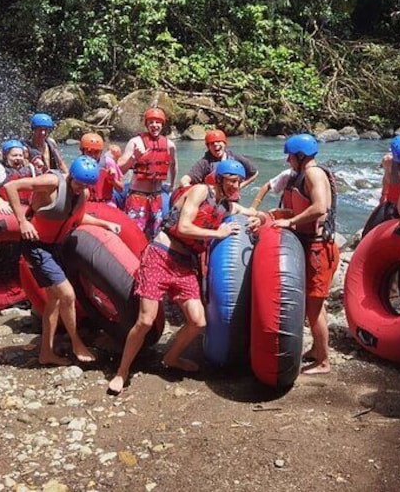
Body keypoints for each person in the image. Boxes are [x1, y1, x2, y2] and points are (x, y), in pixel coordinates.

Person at [107, 159, 265, 395]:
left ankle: (171, 358)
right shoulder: (201, 191)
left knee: (198, 321)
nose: (235, 186)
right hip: (160, 255)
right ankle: (121, 372)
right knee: (146, 321)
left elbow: (252, 212)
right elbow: (183, 227)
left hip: (184, 264)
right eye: (231, 180)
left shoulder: (226, 206)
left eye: (239, 182)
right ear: (219, 179)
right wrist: (217, 233)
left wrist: (259, 219)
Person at [4, 155, 122, 366]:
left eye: (86, 185)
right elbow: (12, 186)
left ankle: (46, 353)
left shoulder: (82, 193)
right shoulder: (52, 183)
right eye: (78, 183)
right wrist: (22, 221)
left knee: (54, 300)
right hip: (36, 245)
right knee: (67, 294)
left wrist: (105, 224)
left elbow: (75, 219)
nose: (80, 188)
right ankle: (77, 344)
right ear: (72, 177)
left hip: (55, 248)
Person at [271, 133, 339, 375]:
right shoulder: (302, 175)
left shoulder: (313, 174)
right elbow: (303, 205)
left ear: (300, 156)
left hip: (319, 249)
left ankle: (323, 361)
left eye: (290, 156)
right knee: (311, 305)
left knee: (314, 308)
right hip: (309, 246)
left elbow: (320, 208)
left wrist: (290, 223)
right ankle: (315, 349)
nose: (288, 160)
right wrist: (284, 214)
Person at [118, 107, 178, 239]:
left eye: (157, 122)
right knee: (134, 234)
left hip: (156, 197)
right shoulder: (135, 142)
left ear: (162, 124)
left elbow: (173, 165)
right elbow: (119, 170)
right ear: (146, 124)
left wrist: (172, 186)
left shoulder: (170, 145)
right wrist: (134, 157)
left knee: (154, 235)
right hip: (137, 197)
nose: (154, 125)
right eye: (151, 122)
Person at [179, 129, 259, 189]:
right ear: (208, 147)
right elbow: (184, 180)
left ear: (224, 143)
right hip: (212, 200)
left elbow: (254, 173)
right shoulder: (205, 163)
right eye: (212, 143)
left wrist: (239, 187)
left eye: (218, 141)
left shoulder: (236, 158)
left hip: (230, 199)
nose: (215, 144)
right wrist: (196, 192)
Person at [0, 140, 36, 215]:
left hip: (27, 208)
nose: (18, 158)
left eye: (20, 155)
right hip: (5, 209)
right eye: (14, 155)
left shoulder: (29, 168)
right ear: (5, 156)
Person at [78, 132, 123, 206]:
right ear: (83, 151)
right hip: (85, 203)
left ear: (101, 152)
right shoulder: (78, 164)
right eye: (89, 152)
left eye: (96, 152)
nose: (93, 155)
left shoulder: (108, 162)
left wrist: (113, 180)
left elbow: (120, 189)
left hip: (107, 203)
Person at [102, 144, 125, 208]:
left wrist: (113, 180)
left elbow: (121, 188)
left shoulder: (112, 164)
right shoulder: (109, 162)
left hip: (110, 197)